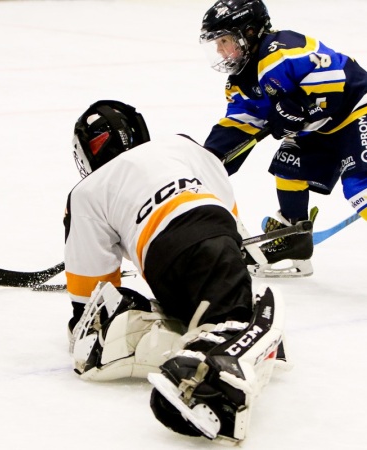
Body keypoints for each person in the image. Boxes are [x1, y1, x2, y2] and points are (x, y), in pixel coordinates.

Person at [64, 99, 286, 443]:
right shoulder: (180, 144)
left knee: (106, 338)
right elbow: (224, 201)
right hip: (216, 231)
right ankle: (241, 333)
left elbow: (90, 301)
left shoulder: (86, 191)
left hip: (165, 259)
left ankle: (222, 366)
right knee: (217, 305)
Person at [199, 0, 367, 277]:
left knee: (359, 186)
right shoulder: (240, 82)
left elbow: (334, 81)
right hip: (321, 129)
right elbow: (241, 122)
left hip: (356, 109)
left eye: (224, 40)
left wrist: (301, 106)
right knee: (288, 167)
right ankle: (295, 239)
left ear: (249, 32)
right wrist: (210, 159)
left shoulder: (284, 50)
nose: (219, 50)